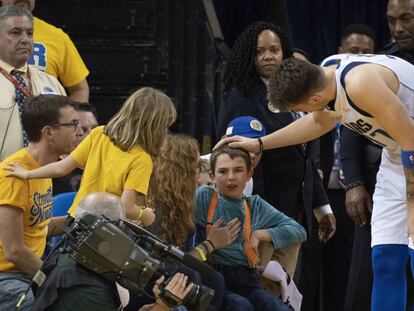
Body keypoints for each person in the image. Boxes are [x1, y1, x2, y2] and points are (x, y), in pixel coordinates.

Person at [218, 53, 414, 310]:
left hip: (410, 150)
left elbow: (411, 142)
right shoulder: (324, 75)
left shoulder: (361, 84)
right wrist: (260, 143)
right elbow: (319, 121)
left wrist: (411, 205)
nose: (303, 114)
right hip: (399, 153)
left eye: (301, 109)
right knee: (385, 257)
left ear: (314, 100)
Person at [216, 21, 335, 308]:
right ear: (250, 56)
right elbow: (229, 156)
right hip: (258, 212)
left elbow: (306, 158)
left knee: (282, 289)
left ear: (285, 53)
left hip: (293, 213)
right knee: (257, 289)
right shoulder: (240, 96)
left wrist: (322, 207)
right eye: (260, 52)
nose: (268, 56)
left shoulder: (296, 94)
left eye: (274, 50)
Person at [5, 87, 176, 227]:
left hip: (76, 221)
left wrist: (27, 173)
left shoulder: (99, 134)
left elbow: (61, 167)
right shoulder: (142, 159)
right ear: (156, 126)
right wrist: (144, 215)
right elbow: (126, 207)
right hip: (104, 232)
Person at [31, 192, 194, 311]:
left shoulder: (77, 258)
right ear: (109, 233)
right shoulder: (86, 289)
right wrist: (162, 306)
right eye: (125, 229)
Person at [194, 143, 307, 311]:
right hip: (213, 279)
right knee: (241, 306)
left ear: (249, 174)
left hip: (248, 280)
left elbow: (299, 231)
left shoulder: (255, 205)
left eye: (238, 170)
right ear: (212, 176)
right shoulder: (205, 197)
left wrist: (260, 235)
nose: (231, 177)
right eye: (223, 171)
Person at [0, 94, 83, 310]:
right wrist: (54, 277)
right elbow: (14, 251)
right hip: (6, 276)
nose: (80, 132)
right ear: (48, 133)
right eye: (73, 124)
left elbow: (38, 226)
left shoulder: (42, 168)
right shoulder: (14, 174)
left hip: (26, 272)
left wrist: (81, 223)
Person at [332, 23, 379, 311]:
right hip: (343, 188)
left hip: (382, 185)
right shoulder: (330, 78)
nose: (360, 57)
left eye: (366, 52)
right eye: (353, 51)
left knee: (379, 265)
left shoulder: (379, 82)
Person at [0, 5, 66, 160]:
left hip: (44, 177)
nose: (25, 39)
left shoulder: (51, 83)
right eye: (15, 33)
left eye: (29, 33)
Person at [1, 0, 90, 101]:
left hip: (45, 113)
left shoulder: (57, 36)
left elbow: (79, 89)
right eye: (15, 33)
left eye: (30, 33)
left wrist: (72, 115)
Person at [52, 102, 98, 194]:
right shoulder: (51, 172)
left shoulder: (107, 164)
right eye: (83, 130)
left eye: (95, 129)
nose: (91, 136)